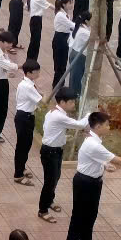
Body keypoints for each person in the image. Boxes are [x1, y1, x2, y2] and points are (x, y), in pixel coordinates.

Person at [62, 111, 121, 240]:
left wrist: (105, 165)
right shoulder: (92, 144)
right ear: (98, 126)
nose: (109, 127)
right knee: (78, 214)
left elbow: (95, 158)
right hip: (84, 182)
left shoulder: (95, 140)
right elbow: (119, 161)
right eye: (107, 125)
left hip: (95, 181)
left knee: (91, 213)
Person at [37, 91, 86, 223]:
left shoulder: (55, 112)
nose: (73, 104)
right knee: (50, 181)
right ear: (62, 102)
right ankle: (43, 210)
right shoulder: (58, 116)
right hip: (50, 152)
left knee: (56, 177)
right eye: (71, 102)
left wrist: (62, 138)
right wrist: (90, 115)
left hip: (56, 151)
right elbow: (80, 125)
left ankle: (49, 201)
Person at [12, 60, 42, 185]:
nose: (38, 73)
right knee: (22, 146)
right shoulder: (27, 86)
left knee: (26, 145)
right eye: (36, 72)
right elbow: (41, 101)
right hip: (24, 117)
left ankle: (22, 168)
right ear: (28, 73)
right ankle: (18, 175)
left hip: (27, 116)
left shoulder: (28, 83)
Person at [49, 0, 73, 91]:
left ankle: (60, 83)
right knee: (59, 63)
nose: (71, 5)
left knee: (63, 63)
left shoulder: (66, 14)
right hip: (60, 39)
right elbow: (71, 25)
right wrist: (81, 25)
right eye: (70, 3)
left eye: (72, 3)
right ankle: (56, 85)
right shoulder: (60, 15)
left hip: (65, 38)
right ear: (64, 4)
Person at [26, 0, 50, 64]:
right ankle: (32, 60)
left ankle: (30, 59)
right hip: (36, 20)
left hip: (34, 20)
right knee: (35, 42)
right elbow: (49, 5)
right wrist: (59, 9)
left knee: (34, 41)